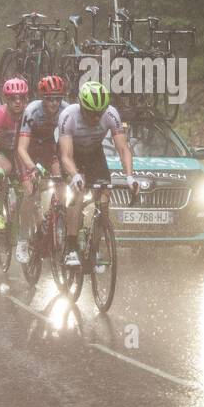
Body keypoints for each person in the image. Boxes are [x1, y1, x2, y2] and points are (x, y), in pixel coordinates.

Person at [57, 81, 143, 268]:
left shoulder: (111, 114)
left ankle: (95, 246)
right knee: (78, 194)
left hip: (94, 153)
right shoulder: (68, 116)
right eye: (91, 113)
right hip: (73, 155)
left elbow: (123, 149)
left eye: (100, 113)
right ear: (81, 107)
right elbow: (66, 156)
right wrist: (75, 176)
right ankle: (71, 247)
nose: (96, 118)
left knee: (105, 192)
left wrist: (130, 177)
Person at [14, 75, 69, 264]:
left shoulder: (65, 110)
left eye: (57, 98)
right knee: (30, 191)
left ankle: (58, 218)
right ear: (42, 97)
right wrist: (32, 168)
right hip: (27, 149)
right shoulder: (32, 110)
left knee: (61, 178)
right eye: (50, 98)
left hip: (47, 147)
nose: (54, 103)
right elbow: (21, 148)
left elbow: (70, 144)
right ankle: (22, 239)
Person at [0, 78, 28, 232]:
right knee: (5, 170)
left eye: (21, 98)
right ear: (6, 99)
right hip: (1, 151)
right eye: (13, 99)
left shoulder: (28, 113)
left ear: (26, 99)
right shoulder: (0, 114)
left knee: (26, 186)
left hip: (19, 152)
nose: (17, 102)